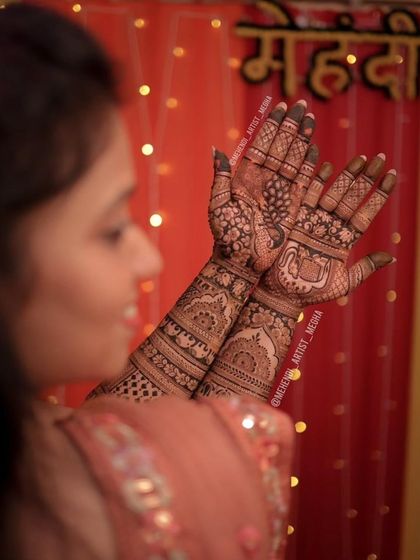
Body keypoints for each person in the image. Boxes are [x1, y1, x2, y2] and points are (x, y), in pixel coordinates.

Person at [0, 3, 396, 560]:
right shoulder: (77, 509)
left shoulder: (44, 448)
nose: (149, 262)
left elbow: (159, 449)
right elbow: (192, 476)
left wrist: (251, 280)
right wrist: (269, 302)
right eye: (112, 229)